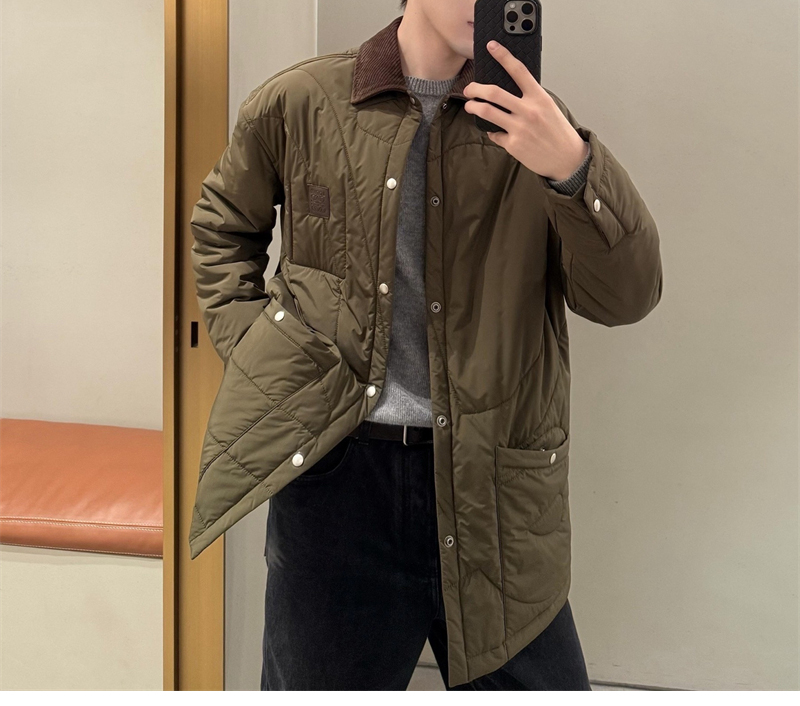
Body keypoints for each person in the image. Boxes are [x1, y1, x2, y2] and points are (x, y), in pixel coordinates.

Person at [189, 0, 662, 691]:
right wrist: (264, 357)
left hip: (493, 484)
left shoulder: (535, 124)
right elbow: (222, 230)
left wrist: (573, 169)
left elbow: (625, 297)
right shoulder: (301, 102)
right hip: (337, 479)